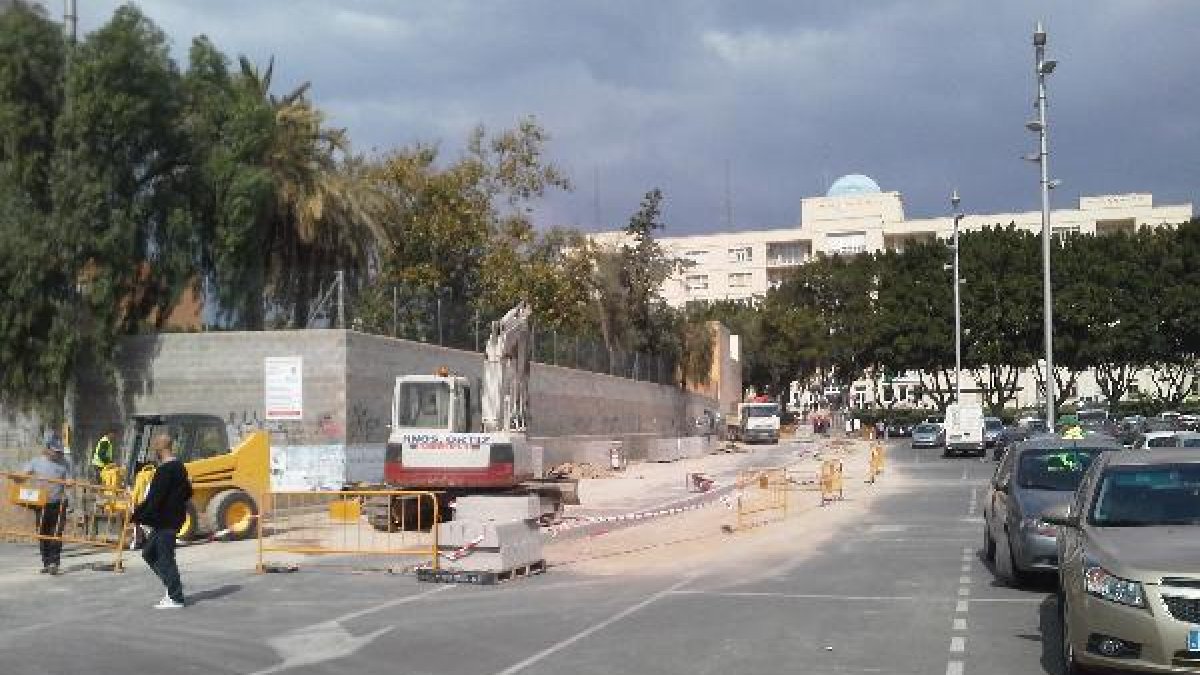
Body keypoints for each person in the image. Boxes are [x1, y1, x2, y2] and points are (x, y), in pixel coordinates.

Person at [131, 434, 192, 608]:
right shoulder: (180, 467)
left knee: (165, 558)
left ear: (160, 448)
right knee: (148, 553)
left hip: (166, 521)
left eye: (154, 448)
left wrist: (138, 516)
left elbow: (155, 499)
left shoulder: (165, 471)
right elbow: (188, 492)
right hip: (169, 520)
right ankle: (172, 584)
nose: (154, 452)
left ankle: (175, 597)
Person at [21, 435, 72, 575]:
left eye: (60, 451)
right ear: (48, 449)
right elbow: (23, 475)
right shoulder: (36, 462)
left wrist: (69, 483)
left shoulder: (64, 463)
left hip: (59, 503)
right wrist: (17, 478)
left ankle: (54, 563)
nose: (58, 454)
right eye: (56, 451)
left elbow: (69, 480)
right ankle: (46, 562)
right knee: (43, 533)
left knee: (56, 533)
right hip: (42, 503)